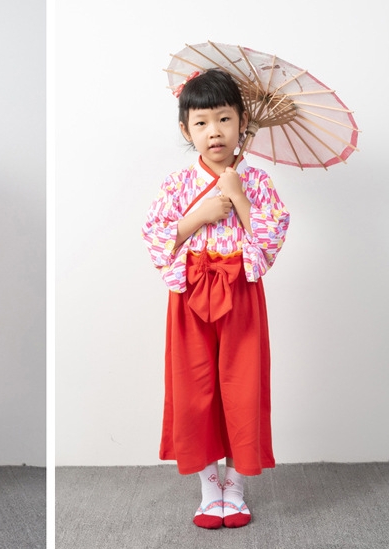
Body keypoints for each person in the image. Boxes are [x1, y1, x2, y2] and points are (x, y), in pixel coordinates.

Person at [142, 69, 290, 529]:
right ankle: (209, 488)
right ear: (186, 129)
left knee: (241, 389)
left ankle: (235, 488)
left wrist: (238, 195)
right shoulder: (177, 184)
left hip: (241, 293)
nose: (214, 132)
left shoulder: (255, 180)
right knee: (194, 390)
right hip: (190, 295)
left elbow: (271, 239)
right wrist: (198, 216)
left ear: (242, 123)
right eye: (201, 122)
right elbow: (154, 237)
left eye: (224, 119)